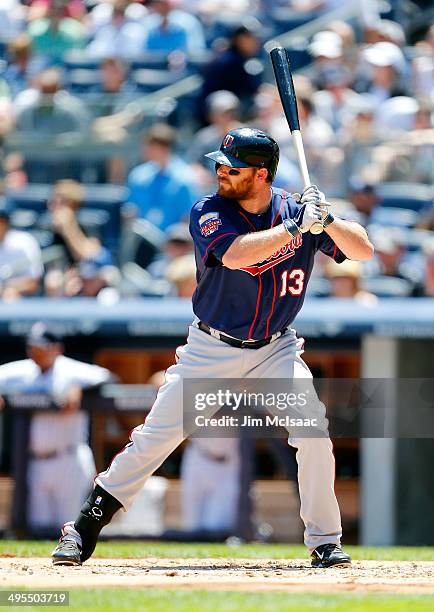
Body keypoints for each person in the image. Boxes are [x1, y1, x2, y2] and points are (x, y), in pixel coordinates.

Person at [52, 127, 373, 569]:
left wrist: (328, 219)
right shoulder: (210, 210)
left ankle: (325, 541)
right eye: (219, 164)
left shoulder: (297, 210)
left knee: (313, 434)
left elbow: (365, 251)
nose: (221, 171)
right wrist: (297, 226)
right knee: (156, 438)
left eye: (232, 167)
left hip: (275, 350)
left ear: (260, 174)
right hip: (212, 347)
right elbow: (240, 255)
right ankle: (83, 527)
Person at [0, 323, 114, 532]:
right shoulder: (24, 370)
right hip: (35, 461)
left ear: (56, 348)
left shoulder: (71, 370)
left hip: (68, 459)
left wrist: (80, 388)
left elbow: (108, 376)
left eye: (42, 347)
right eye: (33, 347)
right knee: (36, 529)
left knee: (70, 527)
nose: (37, 352)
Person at [126, 123, 198, 230]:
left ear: (164, 148)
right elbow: (130, 213)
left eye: (150, 146)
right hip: (142, 241)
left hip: (175, 241)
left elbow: (187, 218)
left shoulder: (185, 178)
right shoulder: (138, 175)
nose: (144, 149)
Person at [0, 206, 43, 301]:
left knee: (10, 296)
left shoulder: (24, 242)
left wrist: (5, 288)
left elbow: (33, 282)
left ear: (4, 222)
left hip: (21, 298)